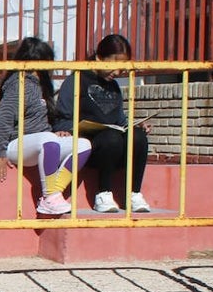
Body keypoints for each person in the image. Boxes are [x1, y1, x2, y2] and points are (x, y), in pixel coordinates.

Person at [0, 37, 91, 216]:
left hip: (43, 143)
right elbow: (2, 119)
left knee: (83, 145)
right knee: (47, 140)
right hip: (18, 145)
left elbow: (43, 120)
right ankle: (50, 195)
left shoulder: (42, 86)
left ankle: (54, 192)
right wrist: (0, 152)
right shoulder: (19, 84)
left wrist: (56, 131)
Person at [53, 33, 152, 213]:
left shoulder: (113, 86)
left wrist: (133, 125)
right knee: (111, 138)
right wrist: (65, 129)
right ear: (99, 58)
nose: (117, 73)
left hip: (115, 149)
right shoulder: (76, 80)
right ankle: (103, 194)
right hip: (92, 149)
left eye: (122, 69)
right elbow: (61, 117)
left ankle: (134, 194)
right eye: (113, 66)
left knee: (138, 137)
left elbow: (119, 118)